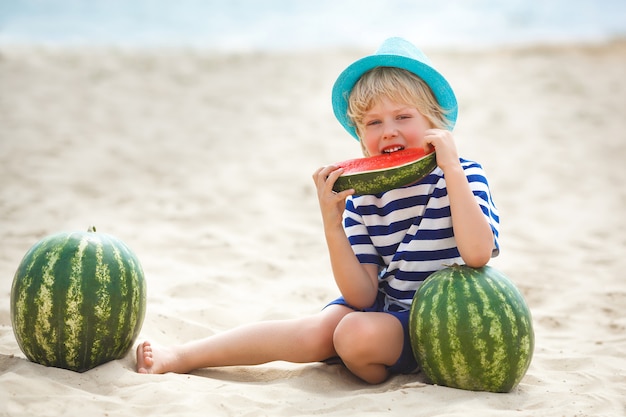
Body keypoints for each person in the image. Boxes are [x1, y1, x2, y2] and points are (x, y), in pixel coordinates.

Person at [136, 37, 500, 384]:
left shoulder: (465, 174)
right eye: (373, 122)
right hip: (384, 309)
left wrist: (451, 170)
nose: (388, 131)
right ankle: (183, 356)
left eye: (402, 117)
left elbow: (477, 253)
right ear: (359, 134)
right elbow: (362, 296)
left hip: (439, 323)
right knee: (317, 330)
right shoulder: (365, 196)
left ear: (434, 122)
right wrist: (333, 225)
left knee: (353, 334)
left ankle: (368, 364)